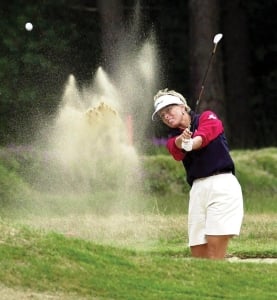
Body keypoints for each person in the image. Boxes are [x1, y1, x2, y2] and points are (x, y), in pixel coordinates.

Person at [151, 88, 244, 259]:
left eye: (169, 110)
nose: (166, 116)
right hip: (197, 191)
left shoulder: (208, 118)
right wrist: (183, 141)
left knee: (215, 246)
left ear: (182, 107)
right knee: (198, 251)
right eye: (162, 115)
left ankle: (222, 282)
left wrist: (190, 142)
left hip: (222, 185)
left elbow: (203, 137)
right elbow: (176, 148)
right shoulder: (173, 140)